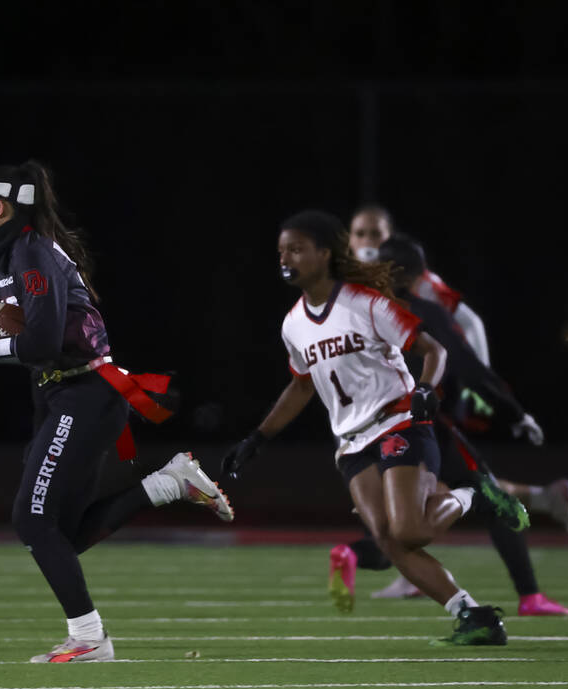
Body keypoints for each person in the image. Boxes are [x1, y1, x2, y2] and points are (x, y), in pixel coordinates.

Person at [0, 161, 234, 663]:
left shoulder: (27, 250)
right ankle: (171, 482)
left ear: (1, 207)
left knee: (32, 521)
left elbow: (43, 342)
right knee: (57, 534)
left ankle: (90, 639)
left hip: (85, 394)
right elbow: (44, 355)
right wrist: (40, 422)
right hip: (70, 396)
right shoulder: (15, 254)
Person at [222, 210, 528, 646]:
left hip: (398, 421)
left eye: (296, 248)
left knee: (410, 531)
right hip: (350, 442)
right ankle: (474, 616)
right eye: (281, 251)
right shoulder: (292, 324)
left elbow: (433, 350)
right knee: (389, 542)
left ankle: (476, 493)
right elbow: (301, 386)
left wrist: (426, 389)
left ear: (324, 254)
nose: (285, 257)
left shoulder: (365, 302)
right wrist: (259, 436)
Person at [329, 234, 568, 617]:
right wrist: (513, 411)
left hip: (364, 436)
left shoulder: (354, 313)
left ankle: (352, 554)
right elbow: (467, 365)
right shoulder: (420, 310)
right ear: (414, 273)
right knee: (484, 497)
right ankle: (529, 595)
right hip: (423, 427)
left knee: (394, 533)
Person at [349, 205, 568, 549]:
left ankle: (412, 566)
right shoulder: (354, 281)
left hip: (427, 393)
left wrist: (475, 389)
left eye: (376, 234)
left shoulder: (419, 283)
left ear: (392, 239)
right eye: (360, 234)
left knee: (422, 481)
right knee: (445, 478)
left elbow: (468, 325)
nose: (368, 242)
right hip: (385, 400)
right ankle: (544, 498)